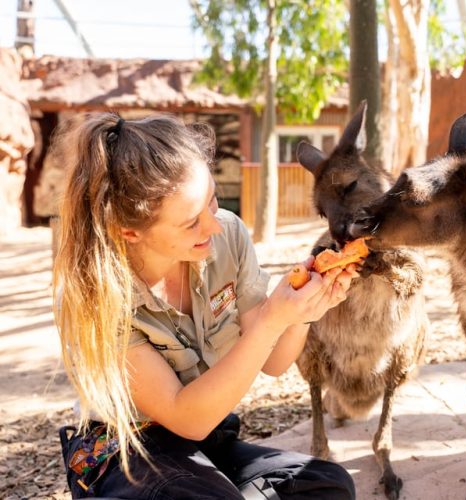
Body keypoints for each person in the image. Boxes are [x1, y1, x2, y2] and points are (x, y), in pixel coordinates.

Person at [53, 113, 358, 499]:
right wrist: (270, 322)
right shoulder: (97, 294)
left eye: (212, 201)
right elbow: (186, 417)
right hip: (128, 450)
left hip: (204, 443)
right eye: (190, 222)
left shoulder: (226, 234)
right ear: (129, 231)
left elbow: (275, 361)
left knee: (327, 485)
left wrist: (303, 312)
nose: (213, 226)